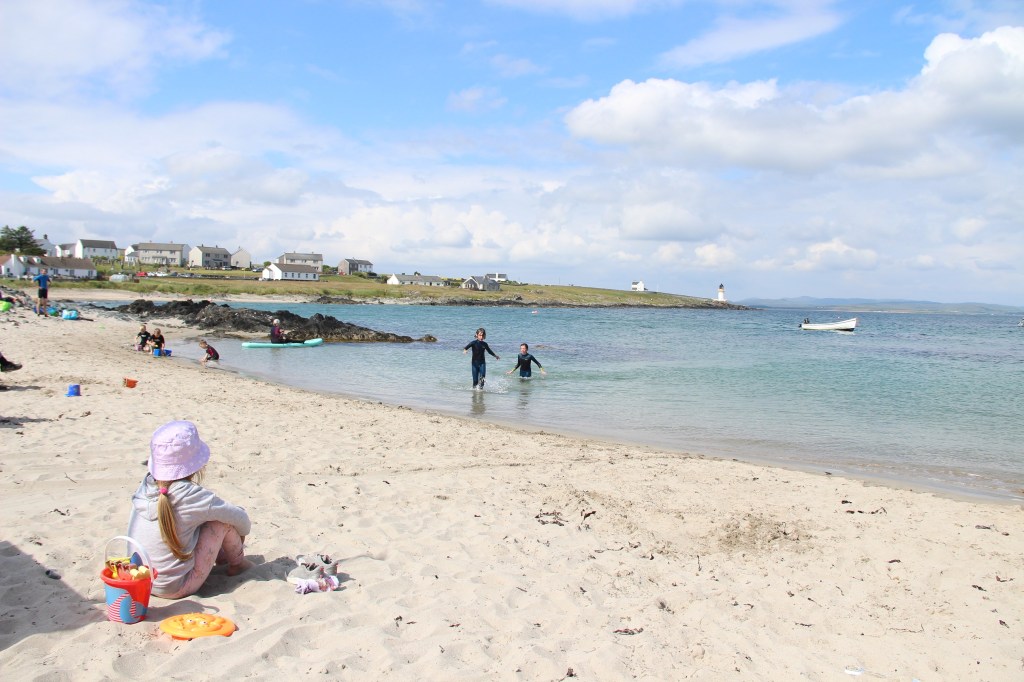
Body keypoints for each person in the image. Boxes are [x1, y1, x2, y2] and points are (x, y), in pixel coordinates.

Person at [126, 421, 252, 599]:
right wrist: (241, 533)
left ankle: (223, 558)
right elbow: (240, 519)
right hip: (175, 587)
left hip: (140, 580)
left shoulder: (145, 488)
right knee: (221, 523)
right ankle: (237, 564)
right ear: (196, 466)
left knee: (196, 521)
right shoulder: (192, 496)